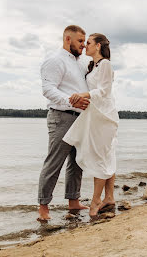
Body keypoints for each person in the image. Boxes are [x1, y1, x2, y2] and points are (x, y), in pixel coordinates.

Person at [37, 25, 91, 221]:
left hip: (80, 118)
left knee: (77, 163)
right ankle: (43, 206)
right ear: (67, 39)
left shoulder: (81, 63)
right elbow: (47, 89)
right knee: (54, 162)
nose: (83, 46)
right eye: (80, 41)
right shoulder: (55, 60)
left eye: (85, 42)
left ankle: (73, 201)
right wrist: (71, 100)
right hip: (62, 117)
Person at [63, 33, 119, 219]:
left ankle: (96, 200)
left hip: (105, 116)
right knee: (106, 155)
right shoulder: (93, 66)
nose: (85, 45)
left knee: (100, 157)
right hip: (95, 115)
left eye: (88, 43)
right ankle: (109, 197)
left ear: (98, 46)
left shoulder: (105, 64)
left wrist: (83, 95)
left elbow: (104, 91)